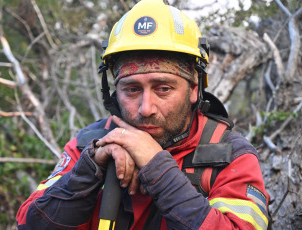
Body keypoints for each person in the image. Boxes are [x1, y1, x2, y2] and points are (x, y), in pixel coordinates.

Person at [16, 0, 270, 229]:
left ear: (193, 89)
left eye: (163, 89)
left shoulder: (229, 155)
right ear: (114, 91)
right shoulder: (88, 144)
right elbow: (29, 223)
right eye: (132, 89)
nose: (145, 108)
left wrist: (156, 165)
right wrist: (88, 172)